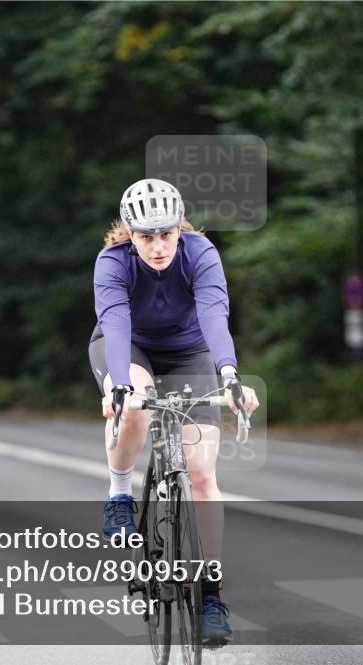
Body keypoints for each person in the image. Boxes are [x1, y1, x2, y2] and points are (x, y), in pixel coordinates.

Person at [89, 178, 259, 647]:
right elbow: (115, 323)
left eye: (166, 234)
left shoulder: (200, 253)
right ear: (131, 233)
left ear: (178, 228)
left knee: (202, 476)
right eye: (146, 237)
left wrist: (230, 375)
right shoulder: (113, 262)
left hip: (190, 353)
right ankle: (119, 493)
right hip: (129, 350)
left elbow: (214, 314)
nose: (159, 246)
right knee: (136, 409)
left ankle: (210, 595)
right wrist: (119, 384)